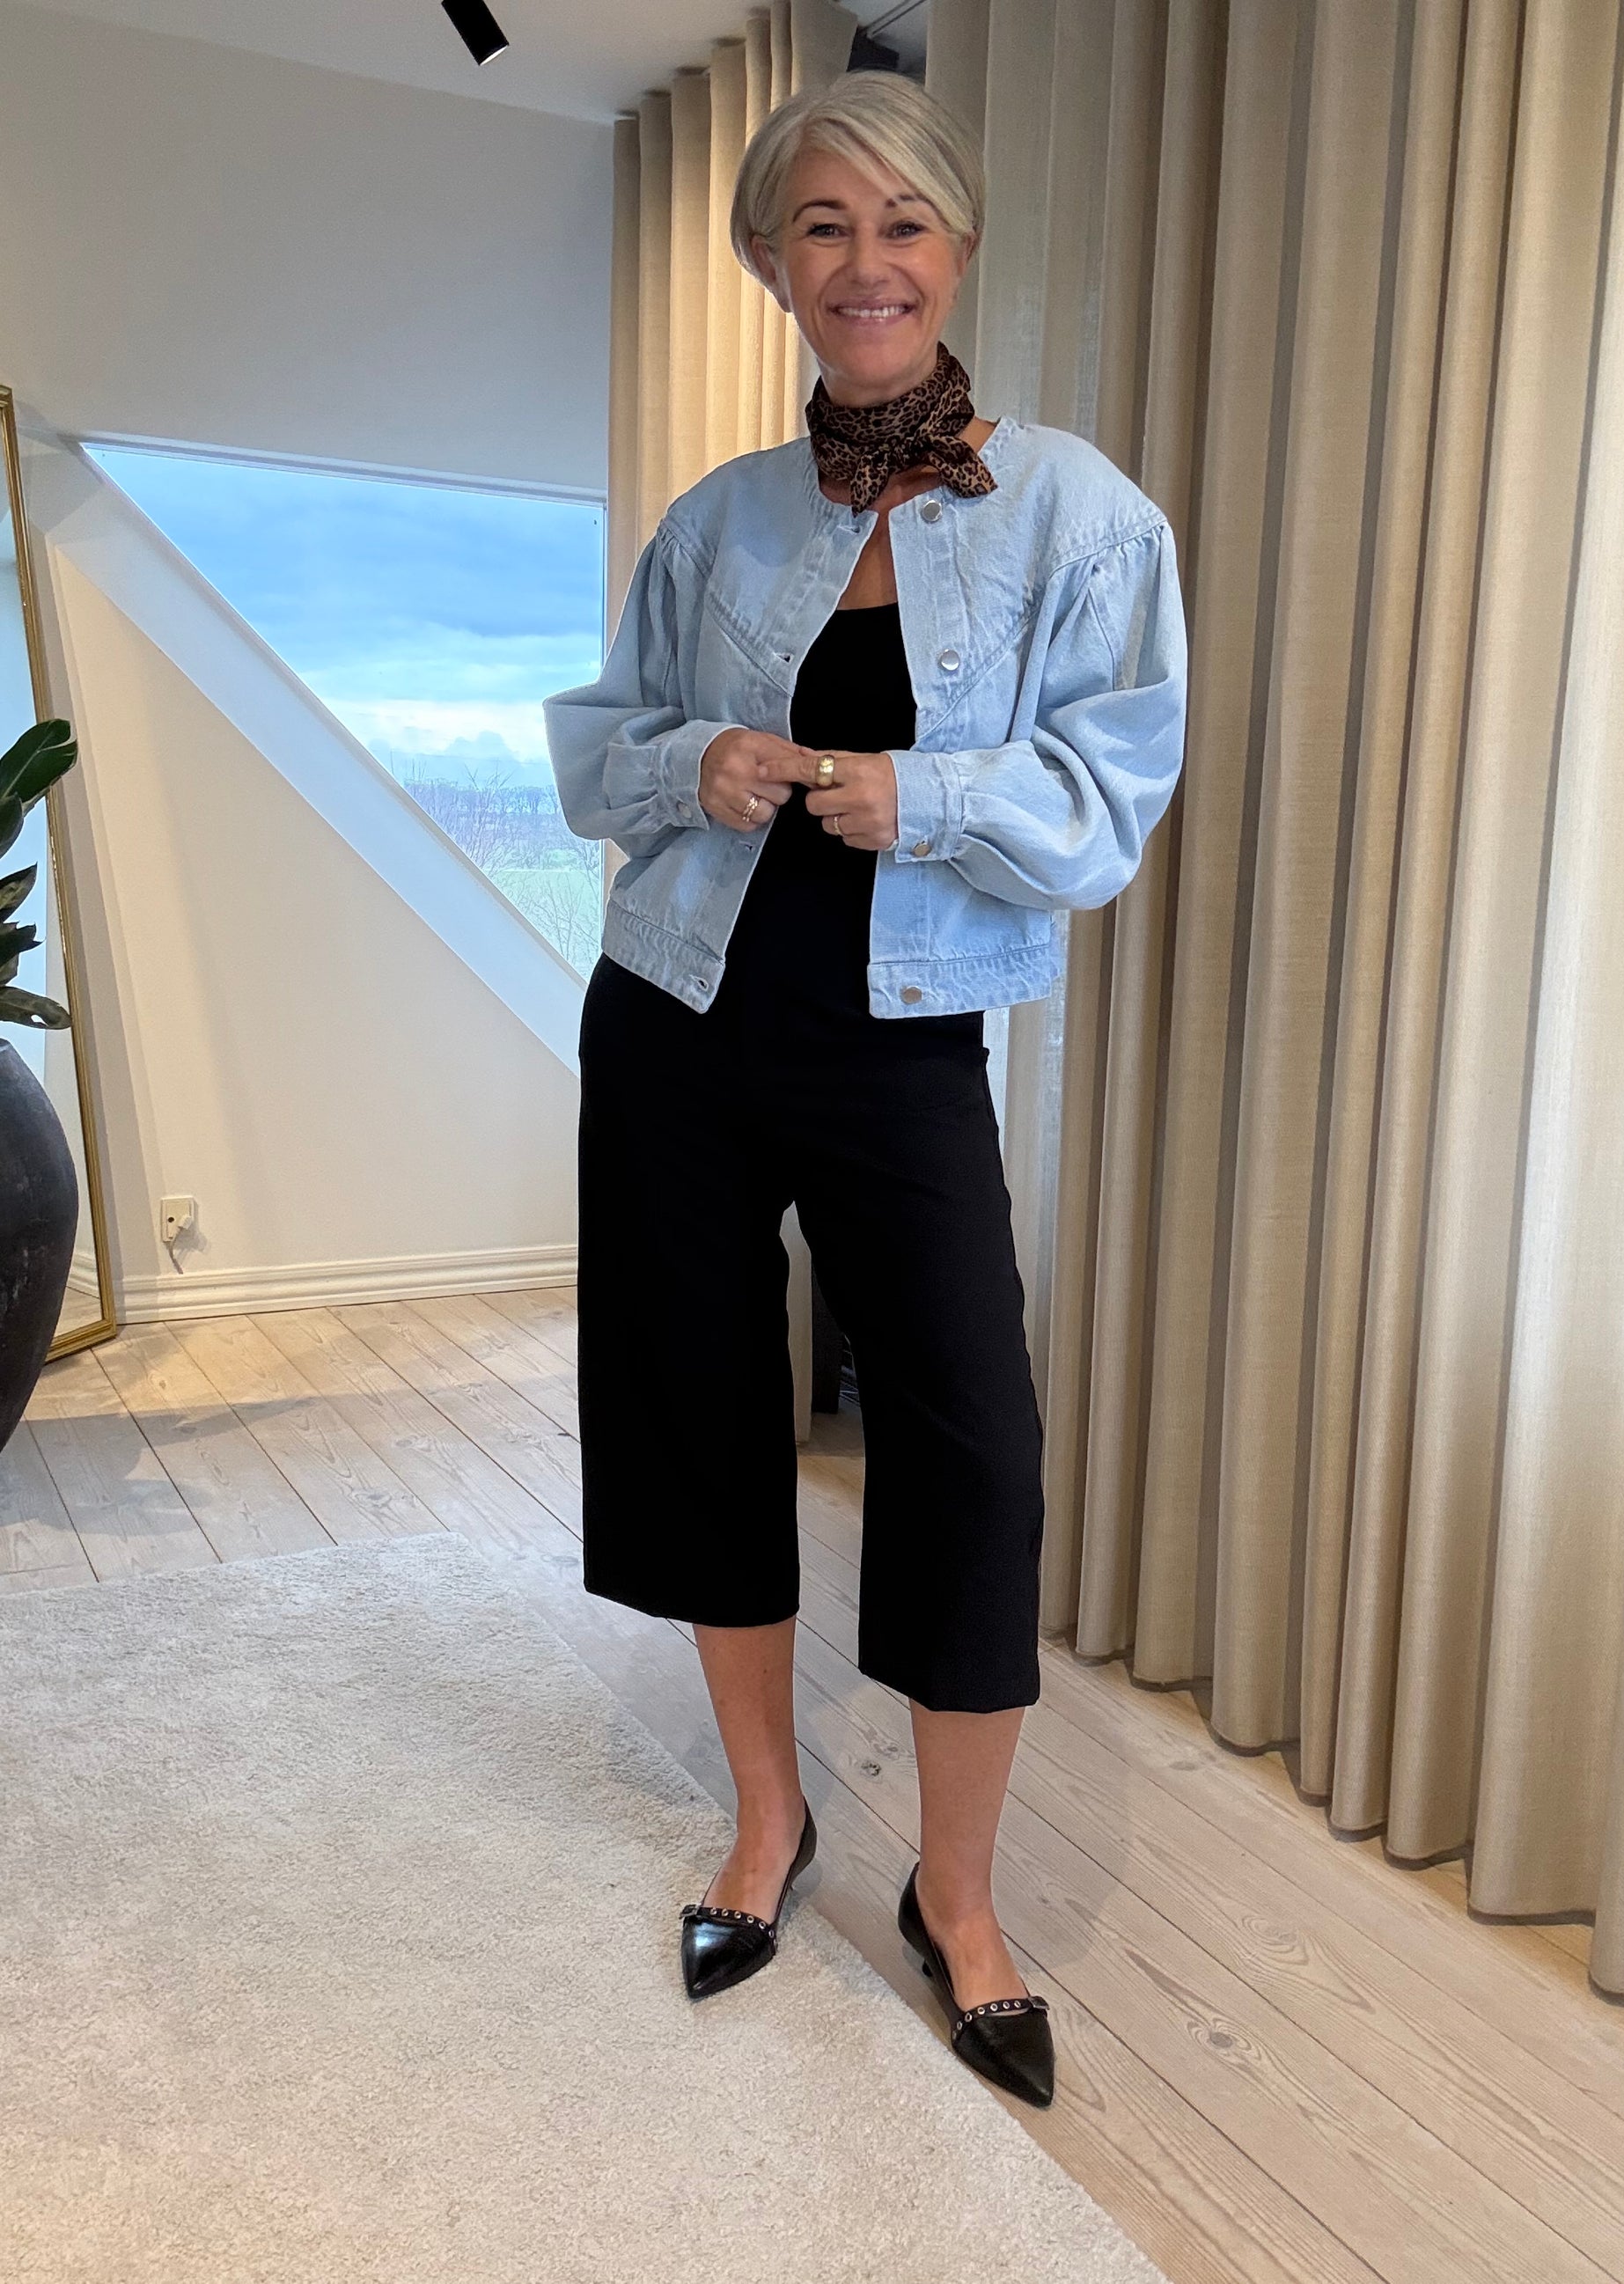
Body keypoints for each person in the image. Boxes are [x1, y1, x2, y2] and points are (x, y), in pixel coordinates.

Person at [544, 69, 1187, 2111]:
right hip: (676, 1015)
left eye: (899, 222)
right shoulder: (717, 520)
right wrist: (695, 762)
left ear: (958, 248)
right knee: (695, 1409)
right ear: (770, 263)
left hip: (907, 1038)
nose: (864, 260)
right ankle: (768, 1821)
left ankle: (960, 1899)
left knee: (969, 1446)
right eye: (820, 226)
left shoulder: (1082, 515)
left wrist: (925, 795)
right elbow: (598, 751)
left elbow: (1109, 793)